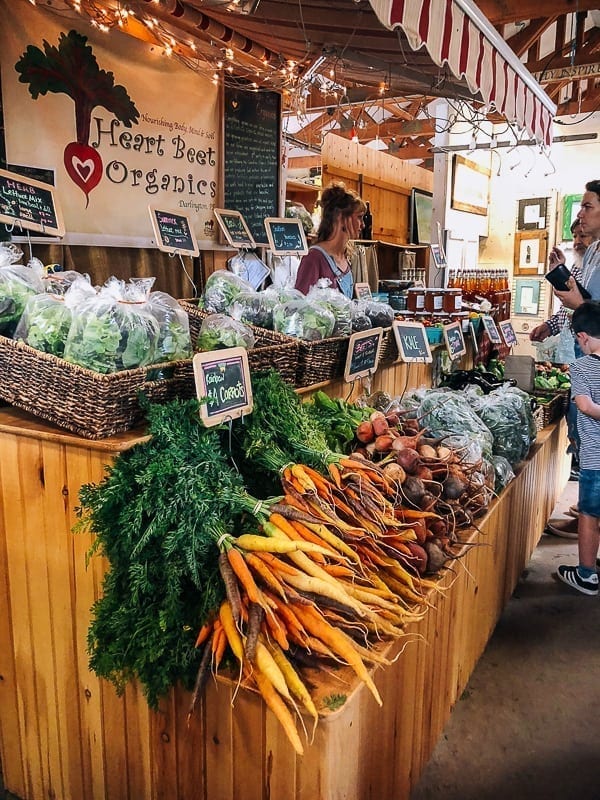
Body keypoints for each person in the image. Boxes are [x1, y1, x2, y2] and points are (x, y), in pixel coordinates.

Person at [530, 219, 593, 486]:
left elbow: (583, 307)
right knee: (577, 417)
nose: (578, 241)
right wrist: (549, 325)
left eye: (582, 236)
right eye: (575, 236)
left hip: (588, 351)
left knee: (584, 420)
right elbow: (567, 310)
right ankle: (583, 503)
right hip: (576, 351)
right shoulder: (579, 267)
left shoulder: (593, 269)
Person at [556, 301, 600, 595]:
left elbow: (584, 405)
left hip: (595, 458)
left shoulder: (582, 366)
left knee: (589, 515)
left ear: (582, 336)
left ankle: (586, 575)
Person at [294, 182, 365, 298]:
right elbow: (299, 307)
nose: (363, 225)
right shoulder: (314, 258)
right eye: (359, 217)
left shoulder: (345, 257)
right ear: (341, 217)